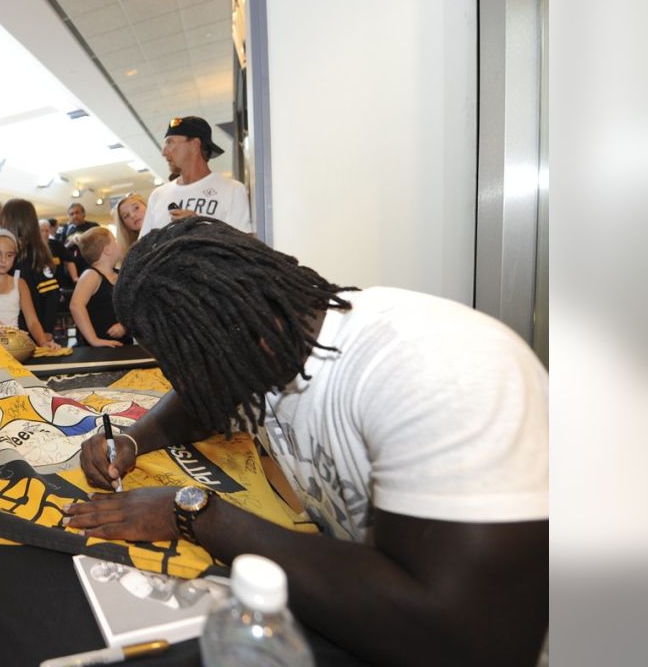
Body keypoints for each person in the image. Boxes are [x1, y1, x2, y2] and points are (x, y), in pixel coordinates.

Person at [68, 217, 548, 666]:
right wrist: (131, 441)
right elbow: (197, 404)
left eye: (180, 360)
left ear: (227, 336)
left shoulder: (438, 368)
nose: (179, 378)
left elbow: (470, 639)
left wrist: (194, 513)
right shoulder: (268, 344)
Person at [140, 117, 252, 238]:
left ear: (194, 144)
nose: (164, 152)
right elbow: (142, 250)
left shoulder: (233, 190)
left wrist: (201, 227)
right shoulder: (158, 196)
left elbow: (243, 247)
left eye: (170, 142)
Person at [0, 228, 59, 350]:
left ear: (15, 258)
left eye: (9, 255)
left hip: (15, 348)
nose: (3, 260)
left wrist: (43, 342)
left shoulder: (20, 284)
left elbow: (32, 320)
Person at [0, 198, 61, 335]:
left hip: (33, 332)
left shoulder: (36, 254)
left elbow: (50, 296)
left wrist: (47, 331)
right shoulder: (8, 251)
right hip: (10, 327)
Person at [68, 228, 130, 348]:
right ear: (107, 249)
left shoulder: (120, 275)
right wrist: (94, 340)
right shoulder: (91, 275)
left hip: (122, 345)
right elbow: (76, 306)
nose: (119, 243)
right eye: (115, 240)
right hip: (97, 351)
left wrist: (125, 325)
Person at [60, 202, 99, 284]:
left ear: (83, 213)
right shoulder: (65, 229)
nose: (74, 216)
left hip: (90, 263)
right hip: (72, 268)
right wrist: (70, 243)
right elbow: (61, 247)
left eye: (77, 212)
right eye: (71, 214)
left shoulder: (93, 226)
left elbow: (99, 243)